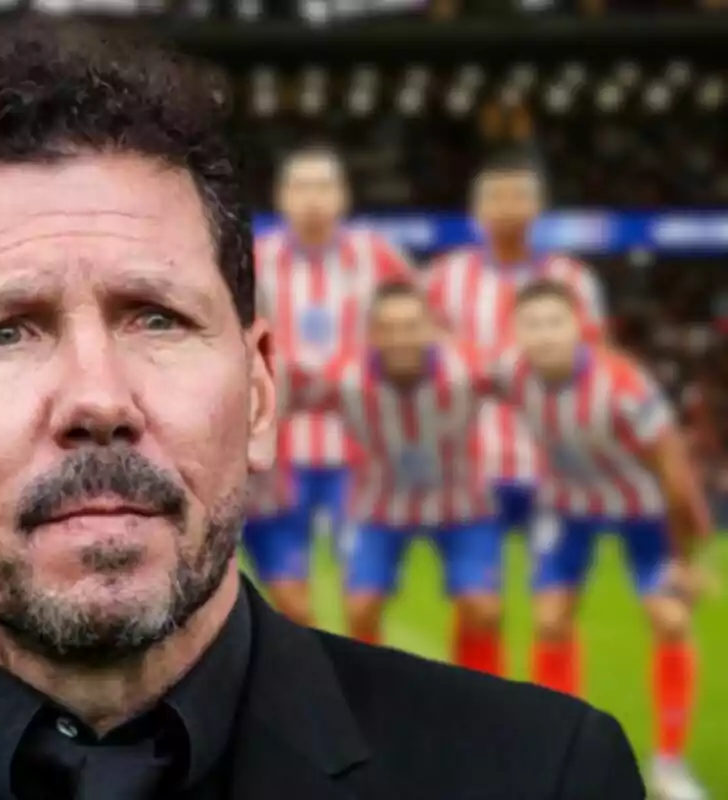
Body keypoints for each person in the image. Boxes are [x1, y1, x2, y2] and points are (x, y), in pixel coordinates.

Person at [0, 18, 644, 800]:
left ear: (262, 390)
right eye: (5, 331)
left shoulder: (542, 775)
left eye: (155, 316)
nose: (98, 399)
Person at [493, 280, 711, 800]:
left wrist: (688, 557)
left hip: (642, 511)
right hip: (568, 509)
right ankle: (561, 747)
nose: (544, 336)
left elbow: (674, 470)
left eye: (555, 322)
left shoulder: (623, 387)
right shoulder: (510, 375)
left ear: (580, 327)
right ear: (516, 333)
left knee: (671, 618)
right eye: (533, 324)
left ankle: (670, 761)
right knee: (548, 621)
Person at [286, 282, 504, 676]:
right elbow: (286, 394)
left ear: (431, 329)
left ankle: (481, 701)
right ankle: (369, 707)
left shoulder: (471, 369)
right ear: (372, 334)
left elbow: (528, 385)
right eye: (389, 327)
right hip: (379, 505)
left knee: (482, 609)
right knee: (360, 607)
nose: (401, 338)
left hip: (461, 502)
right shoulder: (344, 377)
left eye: (411, 326)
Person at [247, 145, 414, 624]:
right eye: (301, 187)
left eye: (324, 187)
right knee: (293, 605)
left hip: (361, 452)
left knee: (364, 599)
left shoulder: (378, 257)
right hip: (278, 452)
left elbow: (421, 328)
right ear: (282, 197)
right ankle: (309, 691)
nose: (313, 199)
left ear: (343, 196)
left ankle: (363, 694)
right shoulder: (256, 258)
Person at [422, 148, 607, 543]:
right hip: (468, 457)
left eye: (518, 196)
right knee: (476, 590)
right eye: (495, 197)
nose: (507, 208)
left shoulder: (572, 279)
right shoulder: (442, 278)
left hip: (554, 454)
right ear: (476, 209)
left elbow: (596, 360)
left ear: (539, 206)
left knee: (554, 588)